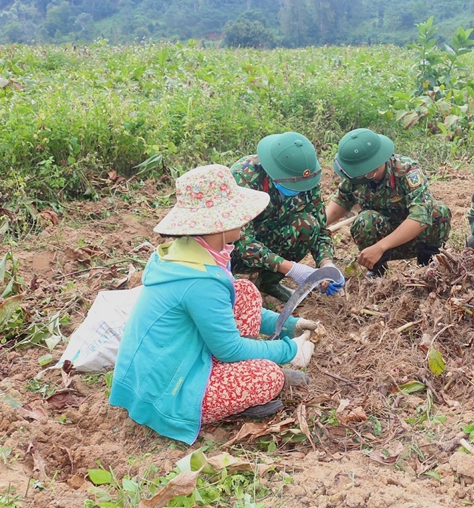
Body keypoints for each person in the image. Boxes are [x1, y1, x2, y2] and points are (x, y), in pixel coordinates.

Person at [110, 165, 319, 444]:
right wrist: (290, 351)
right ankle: (227, 396)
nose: (244, 221)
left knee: (243, 291)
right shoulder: (201, 282)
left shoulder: (188, 255)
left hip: (163, 367)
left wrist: (289, 325)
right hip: (170, 391)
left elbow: (220, 311)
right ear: (218, 224)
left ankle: (233, 373)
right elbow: (230, 349)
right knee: (269, 376)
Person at [230, 132, 342, 303]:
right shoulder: (244, 176)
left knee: (308, 225)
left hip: (269, 236)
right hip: (233, 251)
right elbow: (241, 241)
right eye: (291, 184)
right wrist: (291, 269)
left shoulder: (307, 180)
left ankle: (268, 284)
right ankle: (226, 286)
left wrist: (326, 264)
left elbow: (320, 229)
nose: (298, 189)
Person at [325, 128, 451, 277]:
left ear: (372, 169)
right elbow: (342, 200)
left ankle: (427, 264)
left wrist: (380, 246)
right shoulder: (355, 175)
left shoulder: (407, 171)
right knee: (366, 220)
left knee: (438, 211)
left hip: (415, 238)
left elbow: (420, 217)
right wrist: (317, 227)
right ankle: (377, 270)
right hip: (381, 242)